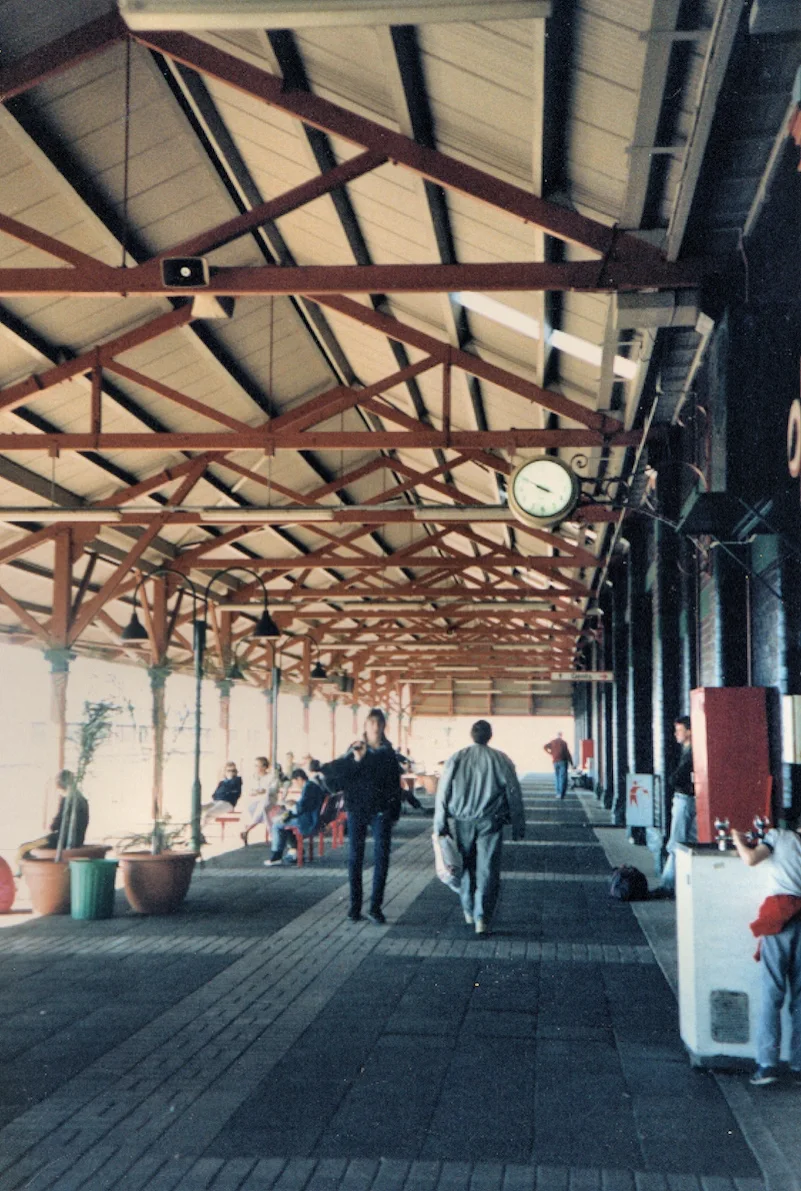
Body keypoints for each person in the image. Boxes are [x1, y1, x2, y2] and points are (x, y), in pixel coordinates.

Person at [434, 720, 525, 936]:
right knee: (488, 868)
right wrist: (518, 824)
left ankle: (467, 908)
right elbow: (513, 791)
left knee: (465, 864)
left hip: (463, 821)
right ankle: (482, 917)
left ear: (471, 734)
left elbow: (443, 791)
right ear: (489, 735)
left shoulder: (457, 757)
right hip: (490, 821)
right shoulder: (501, 759)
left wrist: (440, 823)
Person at [731, 822, 801, 1086]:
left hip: (780, 920)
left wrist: (737, 838)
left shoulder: (778, 836)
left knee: (772, 992)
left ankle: (768, 1064)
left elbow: (750, 859)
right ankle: (798, 1067)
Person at [320, 708, 402, 925]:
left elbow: (395, 783)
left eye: (379, 723)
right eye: (372, 722)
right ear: (365, 725)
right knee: (355, 859)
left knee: (381, 859)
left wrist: (395, 811)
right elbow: (339, 777)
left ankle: (375, 907)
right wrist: (357, 760)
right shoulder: (354, 749)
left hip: (381, 811)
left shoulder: (388, 752)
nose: (375, 727)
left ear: (384, 726)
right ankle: (354, 906)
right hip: (357, 809)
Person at [17, 770, 89, 868]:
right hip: (77, 840)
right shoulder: (81, 799)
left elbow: (56, 824)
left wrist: (51, 827)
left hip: (61, 839)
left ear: (60, 787)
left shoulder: (67, 800)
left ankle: (21, 873)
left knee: (23, 848)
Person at [658, 716, 695, 895]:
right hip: (690, 799)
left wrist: (673, 778)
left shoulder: (691, 752)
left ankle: (668, 884)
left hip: (685, 800)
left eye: (679, 730)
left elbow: (676, 777)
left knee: (676, 841)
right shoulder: (687, 749)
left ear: (689, 731)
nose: (675, 734)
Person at [264, 769, 325, 866]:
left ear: (300, 779)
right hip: (313, 818)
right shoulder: (312, 786)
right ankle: (295, 851)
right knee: (284, 822)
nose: (296, 785)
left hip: (308, 821)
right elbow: (305, 804)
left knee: (277, 825)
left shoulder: (309, 788)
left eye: (295, 782)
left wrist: (290, 809)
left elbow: (301, 808)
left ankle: (276, 855)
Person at [239, 756, 281, 845]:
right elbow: (245, 790)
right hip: (253, 802)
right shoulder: (250, 777)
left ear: (265, 767)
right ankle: (273, 835)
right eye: (255, 766)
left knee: (264, 803)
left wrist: (265, 791)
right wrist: (253, 792)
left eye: (259, 766)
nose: (257, 768)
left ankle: (247, 829)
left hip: (269, 800)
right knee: (262, 809)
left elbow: (274, 789)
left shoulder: (272, 777)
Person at [544, 731, 573, 799]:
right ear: (561, 736)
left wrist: (551, 753)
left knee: (557, 777)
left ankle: (558, 793)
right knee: (562, 777)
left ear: (557, 735)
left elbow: (545, 747)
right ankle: (562, 794)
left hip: (555, 761)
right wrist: (571, 763)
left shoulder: (553, 742)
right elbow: (567, 753)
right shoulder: (564, 743)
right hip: (563, 761)